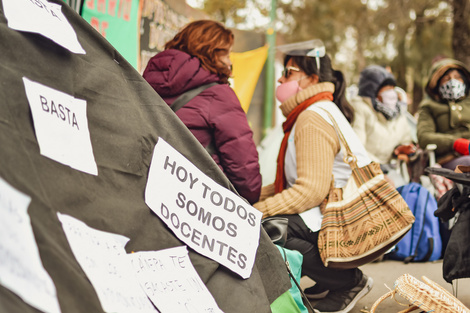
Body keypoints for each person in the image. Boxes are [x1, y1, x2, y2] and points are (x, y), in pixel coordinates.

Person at [253, 40, 373, 313]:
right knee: (277, 218)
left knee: (271, 228)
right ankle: (325, 279)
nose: (282, 79)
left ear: (312, 78)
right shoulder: (316, 110)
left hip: (343, 218)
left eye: (289, 72)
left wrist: (256, 211)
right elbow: (298, 182)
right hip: (339, 212)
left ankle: (348, 282)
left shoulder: (311, 117)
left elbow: (310, 190)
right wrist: (250, 195)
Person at [142, 20, 261, 204]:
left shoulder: (148, 80)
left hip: (149, 188)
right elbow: (243, 165)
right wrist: (250, 198)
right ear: (211, 53)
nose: (230, 61)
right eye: (227, 54)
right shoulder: (219, 94)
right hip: (198, 202)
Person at [350, 65, 415, 167]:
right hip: (369, 170)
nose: (392, 93)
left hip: (391, 169)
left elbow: (405, 138)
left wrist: (399, 150)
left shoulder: (398, 113)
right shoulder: (360, 109)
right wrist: (377, 167)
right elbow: (357, 148)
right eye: (387, 89)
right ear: (373, 92)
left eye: (393, 88)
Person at [417, 58, 470, 170]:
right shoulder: (428, 106)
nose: (453, 82)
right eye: (447, 79)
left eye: (457, 78)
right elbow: (424, 137)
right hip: (449, 158)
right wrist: (455, 143)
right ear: (436, 84)